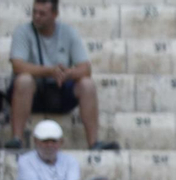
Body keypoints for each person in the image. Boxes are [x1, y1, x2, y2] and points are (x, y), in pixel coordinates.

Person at [9, 0, 115, 150]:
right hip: (33, 91)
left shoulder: (68, 32)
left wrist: (68, 73)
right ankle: (17, 139)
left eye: (42, 13)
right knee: (24, 80)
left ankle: (93, 142)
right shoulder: (23, 31)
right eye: (34, 12)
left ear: (54, 14)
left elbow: (86, 68)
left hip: (60, 89)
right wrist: (50, 71)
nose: (37, 17)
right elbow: (17, 66)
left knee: (87, 84)